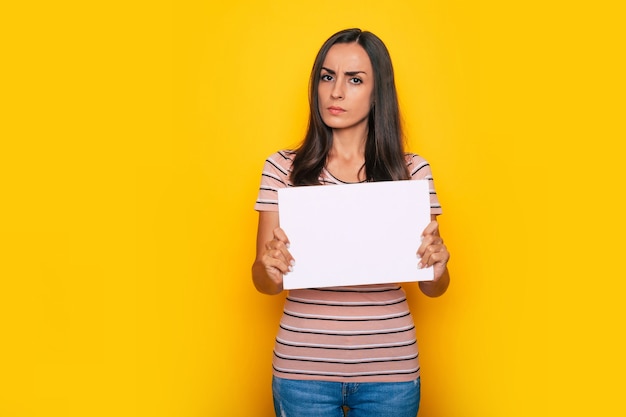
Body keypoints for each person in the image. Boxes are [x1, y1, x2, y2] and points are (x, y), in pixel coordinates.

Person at [252, 28, 450, 417]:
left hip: (390, 372)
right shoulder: (282, 168)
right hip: (301, 369)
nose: (336, 92)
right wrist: (269, 267)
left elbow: (435, 287)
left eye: (354, 79)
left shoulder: (411, 173)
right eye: (327, 77)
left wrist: (439, 266)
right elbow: (262, 282)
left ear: (378, 94)